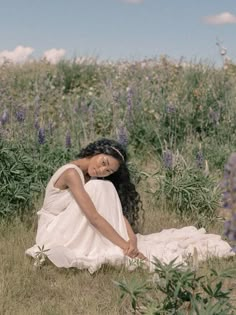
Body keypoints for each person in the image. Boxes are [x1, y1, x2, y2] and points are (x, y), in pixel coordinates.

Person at [26, 138, 234, 273]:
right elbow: (94, 217)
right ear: (96, 151)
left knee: (104, 187)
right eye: (103, 162)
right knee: (101, 187)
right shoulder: (72, 173)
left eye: (108, 171)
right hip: (53, 233)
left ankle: (114, 243)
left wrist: (132, 239)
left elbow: (110, 212)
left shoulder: (91, 176)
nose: (101, 169)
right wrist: (123, 246)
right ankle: (110, 245)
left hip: (68, 226)